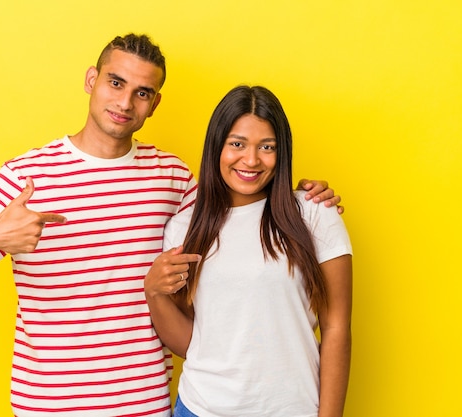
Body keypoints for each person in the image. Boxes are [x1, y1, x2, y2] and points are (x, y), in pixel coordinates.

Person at [0, 34, 342, 417]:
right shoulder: (27, 175)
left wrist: (304, 197)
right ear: (92, 80)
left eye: (141, 92)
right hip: (49, 402)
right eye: (115, 82)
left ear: (154, 103)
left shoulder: (174, 178)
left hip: (145, 401)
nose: (125, 102)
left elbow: (240, 202)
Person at [144, 85, 353, 417]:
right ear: (217, 147)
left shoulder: (314, 213)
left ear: (281, 152)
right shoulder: (185, 227)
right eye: (237, 144)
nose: (251, 160)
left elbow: (337, 327)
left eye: (266, 147)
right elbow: (195, 346)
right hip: (200, 408)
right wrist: (153, 293)